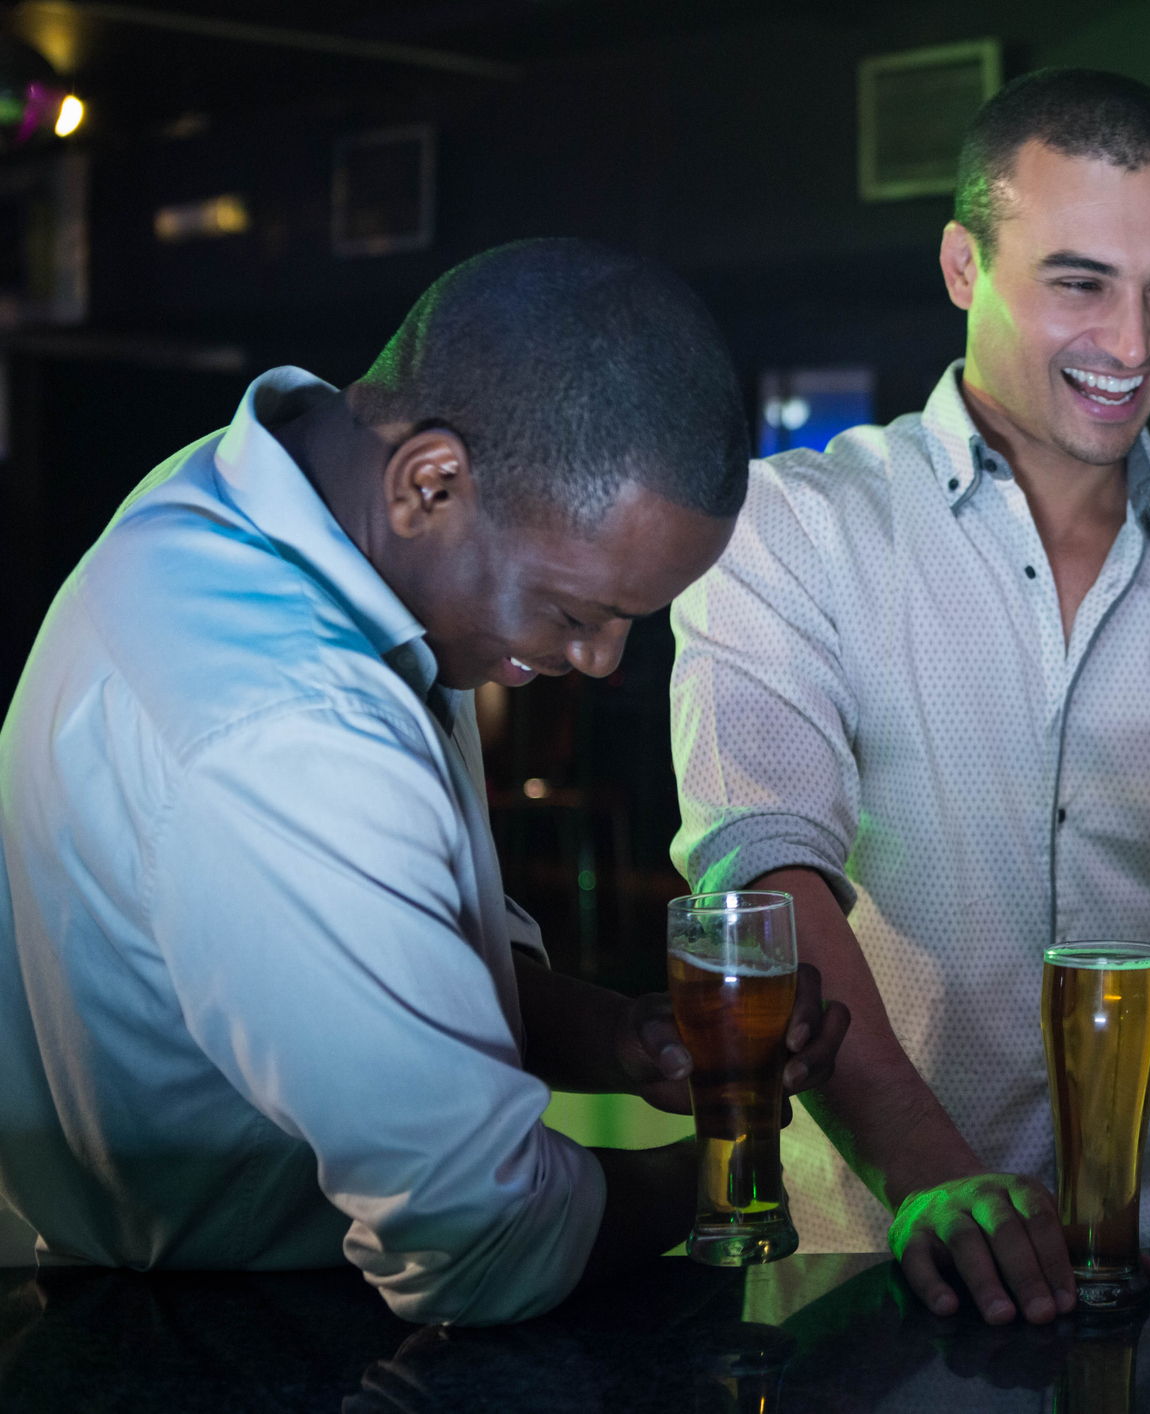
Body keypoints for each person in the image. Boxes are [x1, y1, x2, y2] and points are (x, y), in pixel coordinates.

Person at [0, 239, 848, 1323]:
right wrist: (726, 1179)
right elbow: (479, 1239)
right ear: (429, 480)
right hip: (223, 1345)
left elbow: (399, 948)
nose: (600, 663)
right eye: (578, 611)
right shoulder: (287, 728)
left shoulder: (269, 501)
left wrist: (625, 1038)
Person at [670, 69, 1150, 1325]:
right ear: (964, 266)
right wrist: (937, 1178)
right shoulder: (793, 529)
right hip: (858, 1276)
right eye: (1080, 280)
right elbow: (763, 876)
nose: (1134, 343)